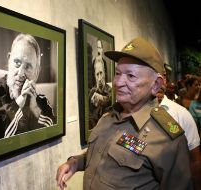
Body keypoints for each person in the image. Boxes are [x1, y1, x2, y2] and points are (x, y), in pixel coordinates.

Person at [56, 37, 193, 190]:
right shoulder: (108, 117)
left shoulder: (167, 139)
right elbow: (100, 155)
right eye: (118, 73)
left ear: (156, 85)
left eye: (131, 76)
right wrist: (75, 163)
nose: (118, 82)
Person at [88, 57, 112, 130]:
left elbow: (109, 100)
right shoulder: (92, 92)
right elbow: (89, 115)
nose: (99, 78)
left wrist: (101, 98)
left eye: (101, 73)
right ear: (94, 76)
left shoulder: (110, 90)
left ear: (105, 72)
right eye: (97, 74)